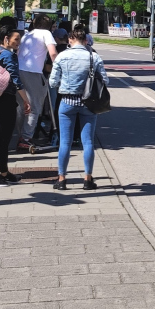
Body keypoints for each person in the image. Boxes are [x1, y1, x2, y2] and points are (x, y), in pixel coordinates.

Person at [48, 23, 107, 191]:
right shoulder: (93, 57)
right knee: (87, 142)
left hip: (67, 102)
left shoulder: (62, 56)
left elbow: (53, 82)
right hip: (89, 104)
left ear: (70, 39)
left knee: (64, 142)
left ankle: (61, 179)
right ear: (85, 40)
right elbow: (105, 80)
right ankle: (88, 179)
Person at [0, 23, 33, 187]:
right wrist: (26, 100)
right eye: (16, 39)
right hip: (5, 99)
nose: (19, 42)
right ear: (6, 39)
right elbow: (16, 80)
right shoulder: (8, 56)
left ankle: (3, 173)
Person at [16, 15, 57, 153]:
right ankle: (25, 139)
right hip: (33, 72)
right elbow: (53, 54)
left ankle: (19, 135)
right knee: (34, 106)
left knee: (22, 106)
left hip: (19, 70)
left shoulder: (28, 35)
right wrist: (60, 68)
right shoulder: (46, 33)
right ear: (49, 26)